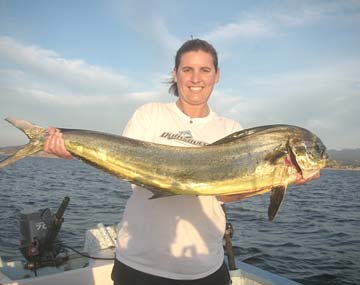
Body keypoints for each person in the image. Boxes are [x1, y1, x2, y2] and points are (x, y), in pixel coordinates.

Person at [45, 39, 241, 284]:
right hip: (138, 264)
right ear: (175, 74)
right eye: (187, 69)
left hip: (203, 267)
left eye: (205, 70)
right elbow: (123, 165)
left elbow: (228, 193)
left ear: (217, 75)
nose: (195, 78)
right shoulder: (150, 114)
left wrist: (280, 178)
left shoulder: (231, 130)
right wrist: (76, 149)